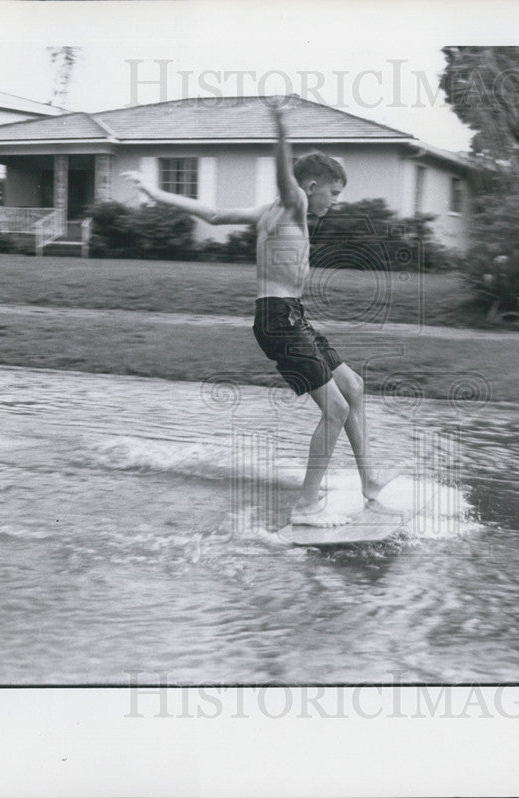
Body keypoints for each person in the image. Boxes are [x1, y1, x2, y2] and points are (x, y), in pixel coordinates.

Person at [122, 102, 395, 526]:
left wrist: (154, 193)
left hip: (291, 316)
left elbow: (211, 213)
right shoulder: (295, 203)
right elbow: (285, 176)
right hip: (279, 319)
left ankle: (369, 483)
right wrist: (280, 124)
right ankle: (306, 506)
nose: (335, 202)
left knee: (353, 387)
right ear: (313, 185)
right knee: (336, 410)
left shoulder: (268, 211)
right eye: (334, 193)